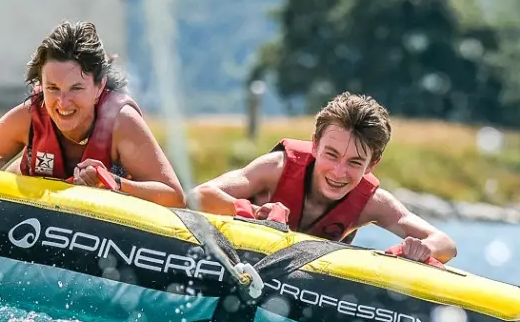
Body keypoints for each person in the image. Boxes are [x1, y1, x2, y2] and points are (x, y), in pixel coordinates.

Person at [0, 21, 187, 208]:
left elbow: (174, 196)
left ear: (99, 87)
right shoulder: (29, 117)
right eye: (52, 88)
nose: (62, 102)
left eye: (76, 88)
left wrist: (112, 184)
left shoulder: (121, 122)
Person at [193, 92, 458, 264]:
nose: (338, 172)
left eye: (355, 162)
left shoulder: (371, 202)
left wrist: (417, 250)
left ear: (371, 165)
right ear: (316, 144)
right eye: (331, 155)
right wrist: (252, 212)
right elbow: (199, 195)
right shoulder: (276, 168)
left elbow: (445, 244)